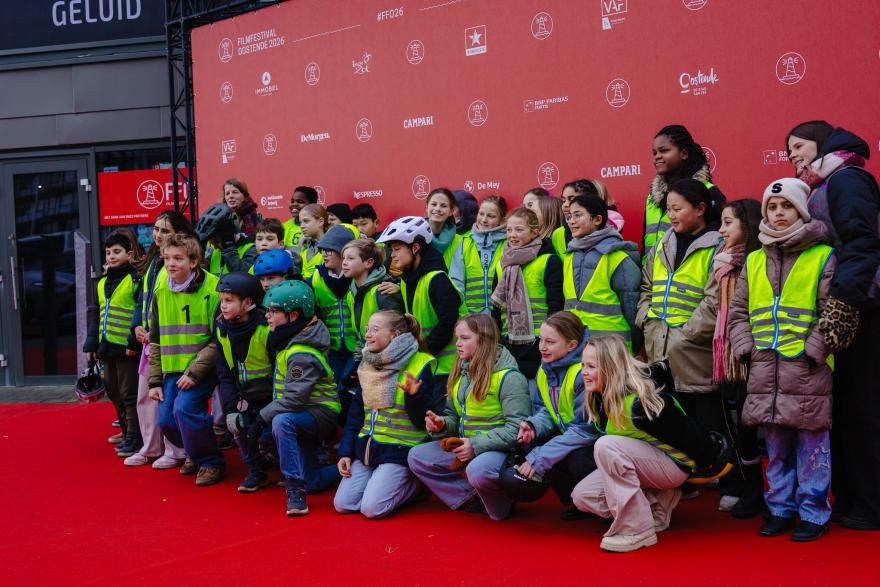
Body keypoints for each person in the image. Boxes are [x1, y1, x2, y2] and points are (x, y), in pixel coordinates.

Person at [727, 178, 836, 541]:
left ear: (802, 210)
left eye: (787, 206)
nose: (778, 213)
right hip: (764, 368)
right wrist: (745, 347)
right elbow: (738, 312)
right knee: (775, 446)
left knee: (812, 447)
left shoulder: (822, 255)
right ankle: (779, 509)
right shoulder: (755, 259)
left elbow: (831, 312)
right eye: (772, 207)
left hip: (806, 369)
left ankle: (813, 512)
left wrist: (814, 351)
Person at [786, 121, 880, 530]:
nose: (793, 155)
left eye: (799, 146)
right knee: (841, 408)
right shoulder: (821, 185)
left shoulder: (847, 179)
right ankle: (847, 497)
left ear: (822, 145)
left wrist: (843, 301)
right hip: (835, 310)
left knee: (862, 408)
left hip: (861, 307)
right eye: (788, 150)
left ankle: (870, 504)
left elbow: (863, 243)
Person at [571, 335, 724, 552]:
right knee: (582, 496)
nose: (583, 372)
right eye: (582, 365)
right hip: (645, 463)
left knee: (606, 445)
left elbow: (687, 433)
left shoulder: (639, 404)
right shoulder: (599, 397)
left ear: (610, 367)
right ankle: (656, 501)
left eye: (591, 366)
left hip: (674, 465)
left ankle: (637, 529)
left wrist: (710, 455)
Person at [637, 178, 729, 499]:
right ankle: (683, 480)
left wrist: (686, 334)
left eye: (677, 208)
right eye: (668, 209)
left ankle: (723, 480)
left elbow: (715, 300)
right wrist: (646, 319)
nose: (671, 215)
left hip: (697, 351)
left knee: (709, 419)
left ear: (700, 209)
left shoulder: (718, 246)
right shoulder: (662, 244)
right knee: (674, 420)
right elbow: (646, 287)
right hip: (660, 348)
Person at [407, 314, 531, 520]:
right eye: (457, 338)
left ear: (484, 340)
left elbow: (518, 429)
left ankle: (503, 502)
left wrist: (474, 445)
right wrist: (441, 425)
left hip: (499, 453)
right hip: (467, 447)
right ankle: (472, 496)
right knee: (417, 456)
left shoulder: (510, 378)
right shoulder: (462, 372)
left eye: (464, 338)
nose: (457, 343)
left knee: (479, 474)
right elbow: (454, 417)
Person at [334, 311, 435, 518]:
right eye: (367, 329)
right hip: (368, 450)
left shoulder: (421, 363)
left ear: (395, 335)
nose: (367, 335)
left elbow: (422, 422)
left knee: (372, 509)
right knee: (343, 504)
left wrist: (413, 397)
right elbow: (356, 415)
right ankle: (382, 482)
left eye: (375, 329)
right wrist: (346, 452)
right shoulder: (367, 364)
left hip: (399, 451)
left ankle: (418, 485)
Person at [147, 233, 224, 486]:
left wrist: (194, 372)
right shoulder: (161, 290)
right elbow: (155, 339)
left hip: (204, 367)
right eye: (167, 258)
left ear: (193, 262)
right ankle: (195, 449)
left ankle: (210, 462)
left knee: (185, 409)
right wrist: (154, 381)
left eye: (178, 258)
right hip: (173, 370)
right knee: (165, 420)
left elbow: (219, 339)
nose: (171, 264)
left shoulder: (214, 289)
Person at [261, 280, 341, 515]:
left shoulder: (301, 352)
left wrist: (261, 418)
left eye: (273, 311)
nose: (267, 316)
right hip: (302, 411)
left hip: (320, 412)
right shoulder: (290, 338)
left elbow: (294, 399)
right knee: (313, 481)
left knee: (281, 421)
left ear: (293, 315)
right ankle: (356, 467)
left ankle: (295, 491)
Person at [125, 211, 193, 468]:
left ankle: (174, 450)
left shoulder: (179, 264)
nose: (158, 234)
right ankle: (150, 447)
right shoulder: (153, 261)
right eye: (156, 229)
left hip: (169, 342)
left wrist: (152, 331)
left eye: (165, 230)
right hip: (149, 341)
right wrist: (137, 327)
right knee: (145, 396)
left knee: (165, 398)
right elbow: (142, 301)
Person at [514, 311, 595, 520]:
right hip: (571, 433)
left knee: (577, 458)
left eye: (550, 342)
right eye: (541, 340)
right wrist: (533, 425)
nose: (542, 347)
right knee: (534, 441)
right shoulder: (545, 369)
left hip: (592, 439)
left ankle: (600, 503)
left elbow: (586, 429)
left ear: (572, 345)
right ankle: (576, 501)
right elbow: (545, 409)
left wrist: (541, 457)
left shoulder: (582, 373)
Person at [377, 216, 463, 411]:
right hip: (429, 365)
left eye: (397, 249)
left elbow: (448, 323)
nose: (392, 255)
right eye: (391, 250)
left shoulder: (437, 280)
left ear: (415, 248)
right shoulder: (407, 280)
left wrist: (423, 352)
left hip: (447, 368)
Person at [712, 199, 764, 517]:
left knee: (755, 429)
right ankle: (750, 488)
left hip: (756, 355)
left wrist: (746, 346)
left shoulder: (760, 261)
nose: (721, 229)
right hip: (729, 355)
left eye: (728, 222)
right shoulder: (720, 262)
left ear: (748, 224)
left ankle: (767, 494)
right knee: (738, 428)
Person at [84, 229, 143, 457]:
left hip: (127, 348)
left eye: (117, 252)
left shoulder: (135, 280)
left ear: (129, 254)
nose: (111, 256)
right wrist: (91, 345)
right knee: (113, 391)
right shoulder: (101, 282)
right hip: (106, 347)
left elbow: (139, 313)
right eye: (108, 252)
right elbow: (95, 314)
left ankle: (134, 437)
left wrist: (133, 343)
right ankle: (127, 431)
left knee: (129, 393)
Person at [213, 272, 274, 493]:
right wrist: (231, 409)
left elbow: (281, 372)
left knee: (271, 433)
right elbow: (225, 376)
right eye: (221, 300)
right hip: (244, 397)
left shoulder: (266, 329)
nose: (223, 306)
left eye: (229, 300)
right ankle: (256, 471)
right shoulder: (222, 331)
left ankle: (286, 468)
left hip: (271, 397)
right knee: (237, 426)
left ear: (248, 303)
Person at [490, 207, 562, 379]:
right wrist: (498, 343)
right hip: (508, 345)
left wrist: (546, 341)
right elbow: (496, 310)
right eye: (509, 230)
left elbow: (556, 307)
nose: (512, 235)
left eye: (519, 230)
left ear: (535, 233)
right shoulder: (501, 264)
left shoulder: (548, 261)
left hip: (539, 345)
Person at [562, 194, 641, 350]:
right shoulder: (569, 255)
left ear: (597, 219)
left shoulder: (617, 256)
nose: (571, 221)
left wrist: (636, 341)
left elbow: (631, 306)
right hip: (576, 345)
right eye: (569, 216)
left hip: (612, 347)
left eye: (578, 215)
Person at [643, 124, 726, 257]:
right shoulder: (652, 197)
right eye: (655, 153)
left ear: (684, 153)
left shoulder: (708, 192)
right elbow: (645, 242)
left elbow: (722, 239)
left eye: (664, 151)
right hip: (653, 269)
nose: (657, 156)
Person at [310, 224, 359, 414]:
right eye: (322, 249)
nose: (324, 254)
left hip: (357, 348)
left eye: (329, 249)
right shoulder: (316, 277)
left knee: (349, 393)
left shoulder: (357, 274)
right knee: (333, 393)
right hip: (332, 349)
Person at [340, 238, 404, 359]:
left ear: (368, 263)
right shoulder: (350, 294)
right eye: (343, 258)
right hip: (369, 357)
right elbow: (360, 336)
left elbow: (398, 336)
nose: (344, 262)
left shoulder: (384, 292)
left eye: (350, 258)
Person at [448, 195, 508, 314]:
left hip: (501, 317)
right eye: (481, 214)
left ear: (501, 220)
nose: (484, 220)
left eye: (491, 216)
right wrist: (463, 315)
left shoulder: (508, 244)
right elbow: (456, 284)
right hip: (471, 317)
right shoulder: (464, 242)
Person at [195, 203, 257, 275]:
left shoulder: (250, 249)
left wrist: (229, 249)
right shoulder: (211, 250)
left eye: (216, 241)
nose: (214, 246)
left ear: (227, 235)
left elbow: (243, 275)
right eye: (211, 242)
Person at [552, 179, 596, 257]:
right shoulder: (557, 234)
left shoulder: (605, 231)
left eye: (572, 200)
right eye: (563, 200)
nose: (565, 205)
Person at [425, 188, 462, 269]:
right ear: (427, 207)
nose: (438, 209)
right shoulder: (415, 235)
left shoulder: (459, 241)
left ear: (451, 211)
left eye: (443, 206)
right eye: (434, 204)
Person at [298, 203, 329, 280]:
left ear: (321, 221)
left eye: (306, 221)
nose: (302, 226)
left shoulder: (330, 247)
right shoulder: (304, 245)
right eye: (300, 222)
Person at [283, 185, 319, 251]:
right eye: (292, 201)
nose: (294, 204)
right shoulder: (283, 227)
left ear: (312, 205)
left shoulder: (319, 227)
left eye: (300, 202)